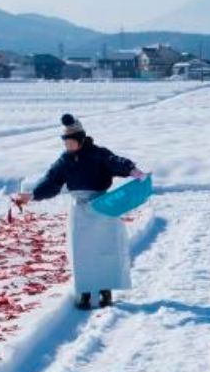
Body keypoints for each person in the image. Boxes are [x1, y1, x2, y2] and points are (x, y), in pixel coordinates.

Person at [11, 114, 146, 309]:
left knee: (104, 249)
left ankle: (104, 290)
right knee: (81, 251)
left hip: (102, 207)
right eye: (66, 143)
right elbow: (51, 181)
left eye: (71, 142)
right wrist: (32, 195)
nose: (68, 146)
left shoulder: (98, 154)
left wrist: (133, 171)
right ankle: (84, 292)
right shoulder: (65, 161)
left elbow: (116, 162)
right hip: (80, 209)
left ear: (81, 139)